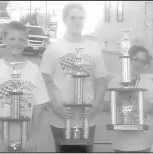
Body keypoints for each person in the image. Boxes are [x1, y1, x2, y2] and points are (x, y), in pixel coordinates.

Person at [40, 3, 112, 152]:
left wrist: (96, 106)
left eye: (80, 18)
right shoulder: (53, 48)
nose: (77, 21)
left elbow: (101, 80)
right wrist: (55, 107)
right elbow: (45, 82)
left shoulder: (93, 48)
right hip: (61, 116)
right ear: (64, 20)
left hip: (87, 117)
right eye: (72, 17)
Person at [0, 21, 49, 152]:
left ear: (26, 41)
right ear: (4, 40)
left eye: (21, 39)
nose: (16, 42)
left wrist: (34, 137)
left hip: (28, 140)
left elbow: (39, 107)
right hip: (2, 141)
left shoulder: (34, 71)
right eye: (12, 38)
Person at [105, 46, 153, 152]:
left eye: (142, 61)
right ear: (127, 60)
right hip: (121, 143)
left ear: (146, 65)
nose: (138, 64)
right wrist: (118, 100)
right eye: (135, 59)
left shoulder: (148, 82)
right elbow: (105, 107)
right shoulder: (115, 81)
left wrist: (140, 104)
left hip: (143, 142)